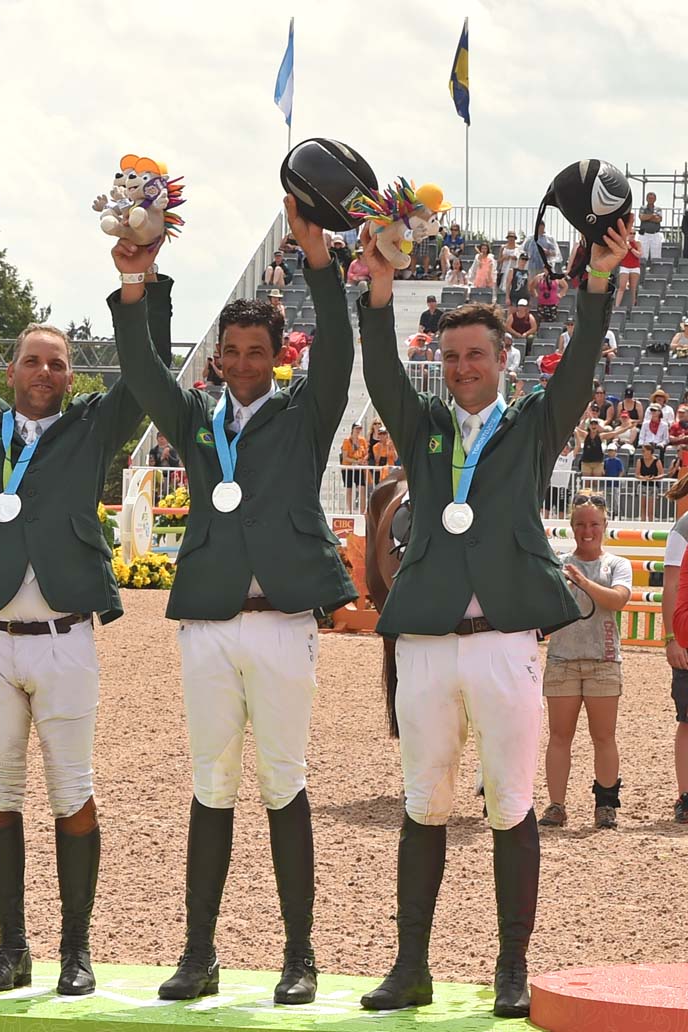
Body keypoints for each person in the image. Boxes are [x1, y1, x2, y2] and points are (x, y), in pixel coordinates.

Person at [355, 212, 626, 1020]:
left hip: (508, 644)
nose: (463, 367)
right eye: (451, 357)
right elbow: (377, 374)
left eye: (476, 355)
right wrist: (376, 290)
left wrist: (599, 283)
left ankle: (512, 965)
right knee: (422, 804)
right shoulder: (426, 427)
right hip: (429, 645)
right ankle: (411, 966)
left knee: (509, 805)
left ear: (503, 360)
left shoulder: (534, 425)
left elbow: (578, 366)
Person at [0, 205, 172, 998]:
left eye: (59, 363)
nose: (45, 373)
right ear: (10, 371)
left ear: (74, 376)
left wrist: (138, 280)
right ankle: (10, 946)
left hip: (63, 636)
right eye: (33, 361)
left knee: (73, 789)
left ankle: (76, 950)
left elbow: (149, 370)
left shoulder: (94, 427)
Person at [114, 195, 356, 1007]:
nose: (245, 364)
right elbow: (145, 373)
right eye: (233, 353)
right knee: (210, 784)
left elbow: (341, 356)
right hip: (211, 625)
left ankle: (300, 956)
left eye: (258, 352)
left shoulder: (305, 415)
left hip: (285, 622)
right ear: (215, 359)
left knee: (284, 782)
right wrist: (137, 291)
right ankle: (198, 953)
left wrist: (319, 261)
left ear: (278, 354)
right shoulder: (194, 419)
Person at [539, 494, 632, 830]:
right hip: (563, 659)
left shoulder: (617, 564)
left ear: (604, 526)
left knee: (604, 736)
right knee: (559, 736)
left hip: (604, 659)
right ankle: (556, 805)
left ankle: (606, 804)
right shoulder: (559, 564)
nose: (587, 530)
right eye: (580, 524)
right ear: (572, 527)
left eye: (593, 524)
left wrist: (582, 581)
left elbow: (617, 600)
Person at [661, 496, 688, 824]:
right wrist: (671, 639)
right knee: (687, 720)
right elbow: (670, 585)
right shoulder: (683, 527)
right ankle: (685, 795)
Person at [340, 422, 369, 511]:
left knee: (362, 487)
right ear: (352, 429)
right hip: (348, 467)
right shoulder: (347, 441)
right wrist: (356, 461)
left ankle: (362, 510)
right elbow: (345, 457)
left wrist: (363, 460)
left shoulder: (362, 440)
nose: (358, 431)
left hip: (358, 467)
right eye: (357, 428)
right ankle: (349, 510)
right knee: (349, 488)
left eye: (360, 429)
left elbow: (367, 453)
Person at [635, 443, 664, 521]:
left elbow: (662, 474)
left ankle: (651, 525)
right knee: (642, 508)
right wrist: (644, 478)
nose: (643, 452)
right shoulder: (640, 461)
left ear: (650, 451)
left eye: (644, 451)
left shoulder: (657, 461)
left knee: (650, 510)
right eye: (642, 451)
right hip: (642, 486)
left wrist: (654, 478)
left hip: (653, 487)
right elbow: (637, 474)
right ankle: (642, 525)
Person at [618, 229, 642, 306]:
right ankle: (617, 306)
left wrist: (631, 248)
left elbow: (639, 254)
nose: (632, 235)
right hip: (625, 266)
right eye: (630, 233)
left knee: (633, 288)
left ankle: (633, 305)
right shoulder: (623, 243)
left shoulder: (637, 243)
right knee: (622, 287)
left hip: (635, 266)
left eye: (634, 233)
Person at [638, 191, 664, 261]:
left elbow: (658, 220)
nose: (650, 200)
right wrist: (652, 216)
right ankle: (642, 269)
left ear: (655, 199)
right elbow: (642, 217)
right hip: (644, 234)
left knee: (656, 255)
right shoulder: (642, 208)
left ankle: (655, 269)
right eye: (649, 198)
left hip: (655, 234)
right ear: (646, 199)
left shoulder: (658, 209)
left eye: (652, 198)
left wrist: (647, 217)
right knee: (643, 255)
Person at [497, 232, 522, 298]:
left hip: (515, 269)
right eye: (510, 237)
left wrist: (515, 258)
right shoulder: (503, 247)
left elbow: (522, 259)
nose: (511, 239)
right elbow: (499, 260)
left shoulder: (519, 248)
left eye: (512, 237)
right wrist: (504, 258)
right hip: (504, 269)